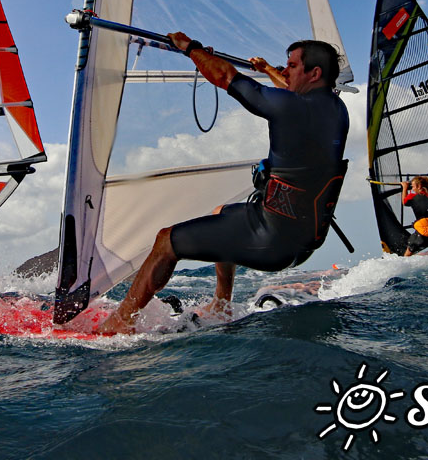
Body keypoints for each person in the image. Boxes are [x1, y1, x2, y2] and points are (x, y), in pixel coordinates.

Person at [97, 34, 349, 334]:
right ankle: (221, 303)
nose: (285, 71)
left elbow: (228, 77)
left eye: (292, 66)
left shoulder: (292, 107)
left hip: (271, 238)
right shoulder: (336, 110)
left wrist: (191, 49)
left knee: (166, 241)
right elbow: (291, 92)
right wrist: (269, 69)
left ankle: (120, 322)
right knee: (221, 212)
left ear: (314, 73)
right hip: (305, 240)